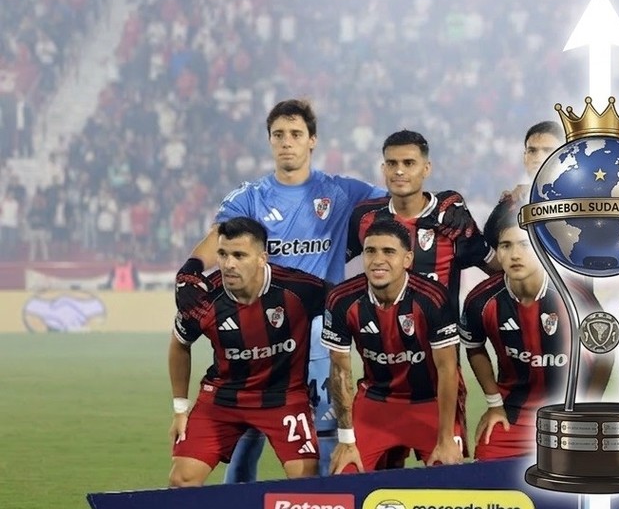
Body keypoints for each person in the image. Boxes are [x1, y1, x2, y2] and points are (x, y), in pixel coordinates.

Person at [174, 99, 386, 482]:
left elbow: (398, 201)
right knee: (245, 441)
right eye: (279, 135)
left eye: (296, 134)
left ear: (312, 140)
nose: (287, 142)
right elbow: (218, 235)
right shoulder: (250, 197)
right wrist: (191, 268)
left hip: (317, 332)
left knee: (325, 437)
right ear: (269, 140)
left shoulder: (341, 191)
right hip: (260, 333)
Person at [346, 129, 498, 464]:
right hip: (380, 383)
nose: (399, 170)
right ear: (383, 168)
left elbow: (497, 268)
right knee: (365, 485)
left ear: (426, 168)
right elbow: (335, 269)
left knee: (446, 481)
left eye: (409, 163)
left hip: (437, 381)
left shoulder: (451, 219)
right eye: (392, 163)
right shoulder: (365, 218)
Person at [167, 217, 328, 486]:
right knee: (182, 479)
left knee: (305, 479)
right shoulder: (203, 299)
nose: (229, 264)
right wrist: (180, 409)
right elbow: (179, 345)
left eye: (239, 255)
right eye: (223, 254)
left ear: (262, 258)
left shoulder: (300, 289)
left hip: (284, 397)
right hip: (222, 398)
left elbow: (347, 307)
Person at [460, 201, 611, 460]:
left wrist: (588, 407)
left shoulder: (574, 296)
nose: (515, 255)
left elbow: (605, 353)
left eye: (524, 245)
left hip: (568, 414)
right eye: (506, 246)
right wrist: (494, 405)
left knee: (578, 479)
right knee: (484, 469)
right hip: (513, 414)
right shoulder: (481, 301)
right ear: (497, 253)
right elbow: (474, 347)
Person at [322, 219, 465, 472]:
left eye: (388, 252)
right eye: (370, 251)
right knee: (345, 474)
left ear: (407, 259)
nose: (378, 260)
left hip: (430, 402)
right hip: (375, 402)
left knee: (447, 475)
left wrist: (445, 439)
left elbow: (447, 370)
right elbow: (340, 371)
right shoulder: (342, 299)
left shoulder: (432, 297)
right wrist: (346, 440)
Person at [502, 120, 565, 204]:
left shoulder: (580, 196)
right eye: (532, 151)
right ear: (524, 158)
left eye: (548, 150)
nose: (538, 158)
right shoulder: (512, 203)